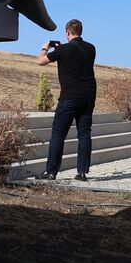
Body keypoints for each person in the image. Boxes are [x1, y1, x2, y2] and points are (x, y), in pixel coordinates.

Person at [37, 19, 96, 181]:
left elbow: (40, 61)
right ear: (80, 31)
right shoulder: (91, 49)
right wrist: (61, 48)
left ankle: (51, 172)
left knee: (58, 134)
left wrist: (45, 48)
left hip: (69, 97)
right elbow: (76, 57)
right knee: (84, 134)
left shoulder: (63, 50)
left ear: (67, 32)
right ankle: (82, 172)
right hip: (88, 97)